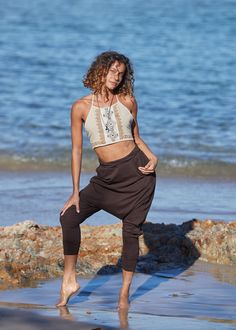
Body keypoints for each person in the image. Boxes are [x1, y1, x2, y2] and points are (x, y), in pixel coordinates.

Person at [56, 51, 158, 308]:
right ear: (99, 71)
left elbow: (136, 138)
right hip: (106, 178)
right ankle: (69, 279)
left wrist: (153, 157)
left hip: (138, 175)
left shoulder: (128, 101)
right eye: (112, 71)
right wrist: (75, 191)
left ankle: (124, 295)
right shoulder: (80, 107)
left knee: (131, 231)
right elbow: (77, 150)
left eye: (121, 73)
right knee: (69, 216)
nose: (116, 76)